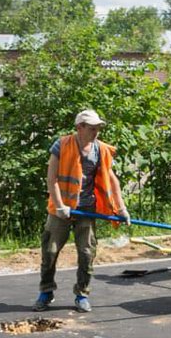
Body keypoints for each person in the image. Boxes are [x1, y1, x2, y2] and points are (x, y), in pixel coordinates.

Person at [34, 109, 130, 314]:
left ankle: (82, 294)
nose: (96, 132)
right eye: (92, 128)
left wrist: (121, 208)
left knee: (87, 253)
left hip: (87, 209)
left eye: (98, 129)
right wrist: (59, 206)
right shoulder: (62, 145)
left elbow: (112, 180)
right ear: (80, 127)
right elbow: (52, 179)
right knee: (49, 251)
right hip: (61, 209)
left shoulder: (101, 150)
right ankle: (46, 291)